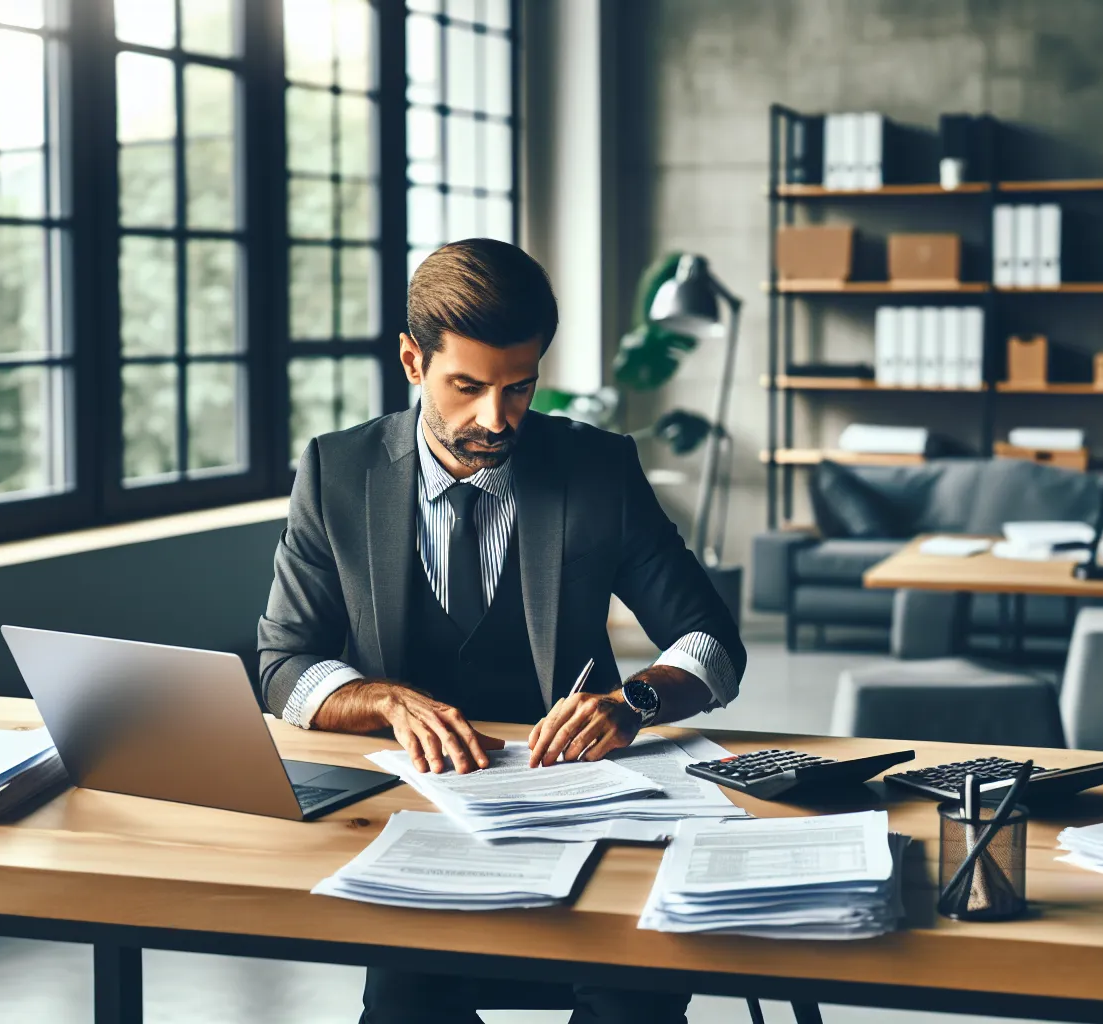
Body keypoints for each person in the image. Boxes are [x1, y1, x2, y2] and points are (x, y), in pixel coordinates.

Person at [257, 238, 744, 1024]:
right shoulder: (336, 472)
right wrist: (383, 702)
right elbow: (284, 665)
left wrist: (635, 702)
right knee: (404, 1007)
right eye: (468, 386)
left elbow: (711, 639)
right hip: (411, 818)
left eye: (519, 388)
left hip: (584, 813)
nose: (496, 418)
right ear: (413, 362)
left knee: (634, 1000)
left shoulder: (598, 470)